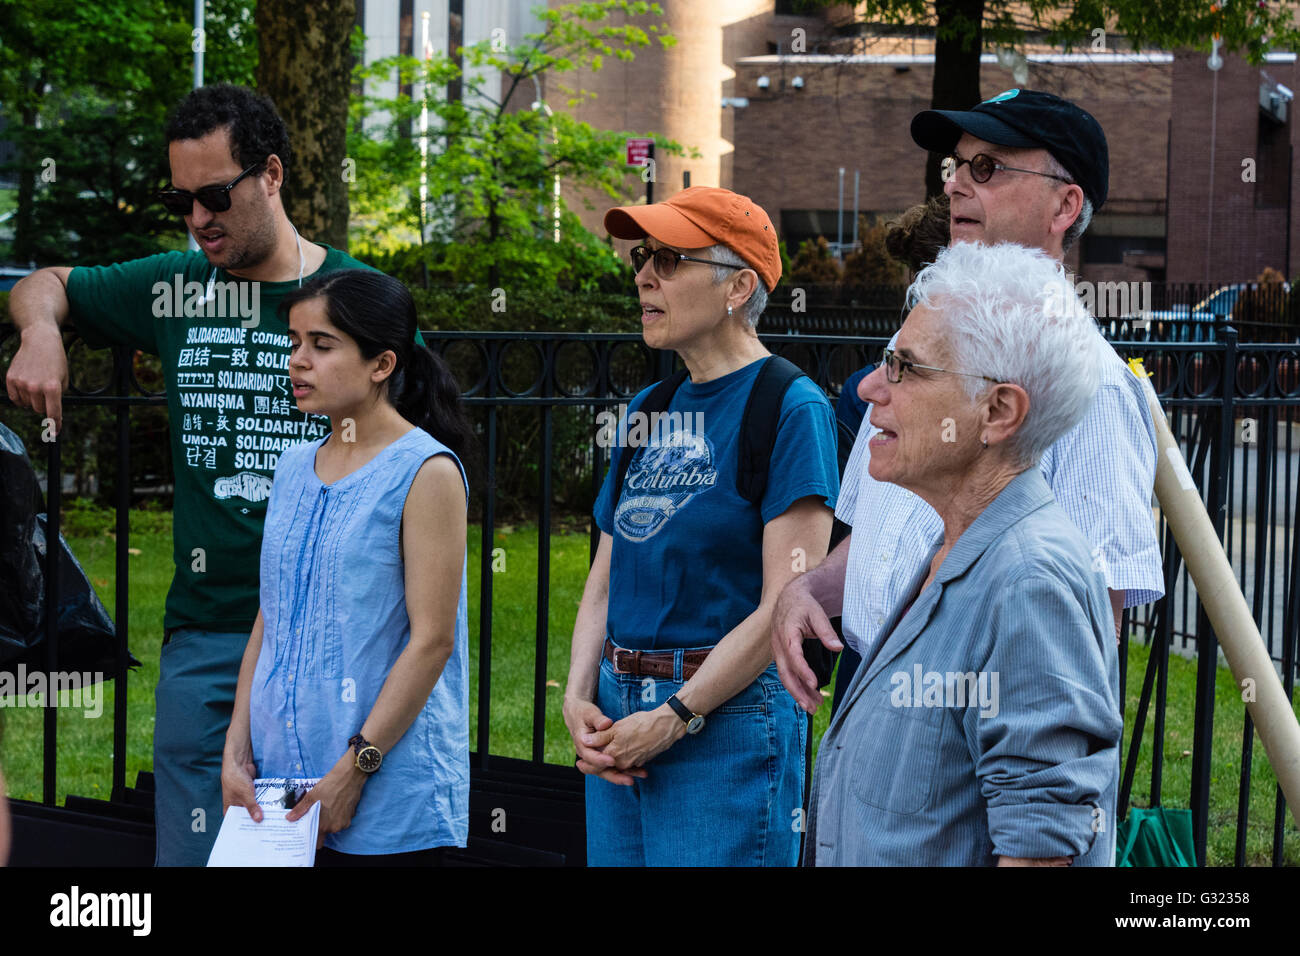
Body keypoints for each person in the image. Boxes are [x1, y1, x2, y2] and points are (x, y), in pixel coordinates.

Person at [3, 84, 382, 865]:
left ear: (271, 175)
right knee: (198, 854)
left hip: (329, 633)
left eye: (216, 195)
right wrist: (41, 332)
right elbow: (47, 281)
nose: (199, 218)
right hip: (209, 632)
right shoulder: (177, 288)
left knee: (328, 843)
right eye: (182, 200)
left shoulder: (352, 298)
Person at [774, 89, 1164, 718]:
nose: (954, 185)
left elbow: (1093, 621)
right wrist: (809, 588)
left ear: (1065, 204)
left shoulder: (1094, 386)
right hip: (865, 682)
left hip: (971, 717)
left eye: (987, 168)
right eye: (956, 165)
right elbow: (878, 534)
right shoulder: (921, 340)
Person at [806, 241, 1122, 865]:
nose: (870, 388)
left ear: (998, 411)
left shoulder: (1029, 581)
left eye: (906, 367)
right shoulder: (952, 548)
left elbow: (1038, 850)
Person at [563, 186, 840, 866]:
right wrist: (577, 696)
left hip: (724, 722)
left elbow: (787, 602)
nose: (644, 276)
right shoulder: (651, 406)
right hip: (617, 713)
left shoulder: (789, 406)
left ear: (738, 286)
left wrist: (676, 716)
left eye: (670, 260)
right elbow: (605, 575)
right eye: (640, 260)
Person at [221, 269, 472, 865]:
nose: (297, 361)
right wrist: (236, 748)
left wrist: (355, 769)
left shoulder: (426, 471)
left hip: (388, 788)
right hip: (281, 787)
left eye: (322, 344)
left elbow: (431, 642)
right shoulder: (291, 467)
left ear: (382, 364)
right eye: (294, 341)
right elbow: (272, 614)